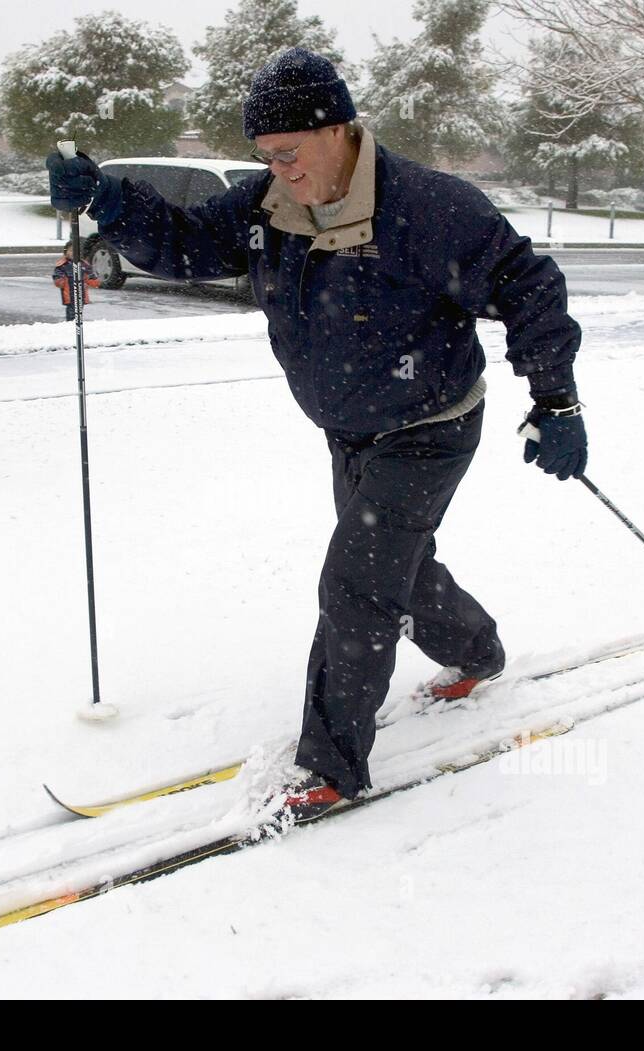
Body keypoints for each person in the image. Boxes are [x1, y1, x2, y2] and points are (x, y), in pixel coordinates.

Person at [47, 48, 586, 819]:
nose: (279, 171)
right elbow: (193, 246)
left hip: (429, 423)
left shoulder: (429, 209)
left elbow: (528, 285)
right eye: (266, 157)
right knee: (396, 564)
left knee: (356, 584)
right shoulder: (268, 206)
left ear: (338, 129)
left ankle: (330, 770)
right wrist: (110, 200)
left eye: (290, 153)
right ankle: (475, 650)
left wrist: (556, 399)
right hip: (349, 428)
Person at [51, 241, 99, 321]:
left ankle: (77, 327)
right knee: (71, 315)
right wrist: (60, 280)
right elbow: (58, 280)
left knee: (79, 315)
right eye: (71, 250)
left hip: (81, 295)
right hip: (69, 296)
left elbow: (92, 281)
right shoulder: (62, 265)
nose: (73, 253)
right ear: (66, 252)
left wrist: (93, 279)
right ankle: (71, 326)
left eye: (76, 250)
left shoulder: (84, 265)